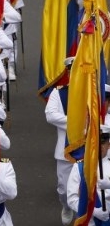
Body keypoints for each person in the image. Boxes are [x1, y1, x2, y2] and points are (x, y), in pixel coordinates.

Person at [44, 56, 75, 225]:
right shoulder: (59, 92)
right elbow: (50, 115)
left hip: (89, 147)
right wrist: (74, 123)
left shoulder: (93, 93)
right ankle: (67, 206)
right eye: (70, 70)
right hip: (65, 149)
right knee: (63, 188)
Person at [67, 124, 110, 226]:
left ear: (109, 144)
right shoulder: (80, 167)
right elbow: (72, 199)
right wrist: (93, 211)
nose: (99, 146)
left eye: (102, 142)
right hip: (89, 221)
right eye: (95, 142)